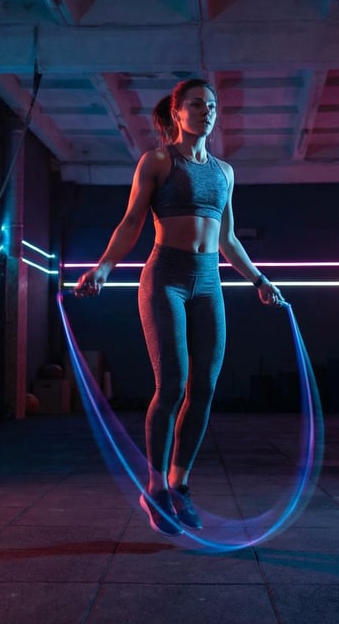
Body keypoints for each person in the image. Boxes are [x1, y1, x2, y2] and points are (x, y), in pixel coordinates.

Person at [75, 78, 283, 536]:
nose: (206, 111)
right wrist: (104, 267)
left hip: (208, 283)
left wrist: (260, 280)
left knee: (203, 388)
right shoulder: (158, 162)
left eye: (212, 105)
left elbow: (228, 238)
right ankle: (154, 489)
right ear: (177, 112)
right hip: (164, 278)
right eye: (196, 104)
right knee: (171, 385)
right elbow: (132, 221)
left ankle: (178, 484)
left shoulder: (225, 172)